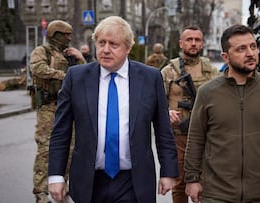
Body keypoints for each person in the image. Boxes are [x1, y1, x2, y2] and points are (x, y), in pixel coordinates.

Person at [48, 16, 178, 203]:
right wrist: (56, 175)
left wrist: (168, 171)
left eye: (113, 44)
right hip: (89, 180)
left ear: (128, 48)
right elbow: (61, 131)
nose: (106, 50)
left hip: (133, 181)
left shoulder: (150, 78)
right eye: (101, 43)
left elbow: (163, 129)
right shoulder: (76, 78)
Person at [184, 24, 260, 203]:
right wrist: (192, 178)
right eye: (241, 49)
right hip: (216, 194)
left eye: (253, 46)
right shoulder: (208, 92)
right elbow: (196, 137)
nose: (250, 53)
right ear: (225, 57)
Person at [29, 19, 86, 203]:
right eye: (66, 35)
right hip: (48, 107)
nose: (69, 38)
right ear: (56, 35)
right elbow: (37, 69)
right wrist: (65, 75)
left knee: (69, 148)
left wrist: (80, 59)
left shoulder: (68, 54)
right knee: (46, 149)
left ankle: (63, 183)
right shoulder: (42, 51)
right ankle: (40, 191)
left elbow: (86, 75)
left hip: (67, 107)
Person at [161, 25, 218, 203]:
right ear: (181, 43)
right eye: (189, 40)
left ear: (202, 43)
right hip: (178, 136)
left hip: (206, 137)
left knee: (206, 183)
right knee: (179, 183)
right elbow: (156, 103)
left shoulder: (212, 72)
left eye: (197, 40)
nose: (193, 43)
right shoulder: (168, 71)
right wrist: (166, 112)